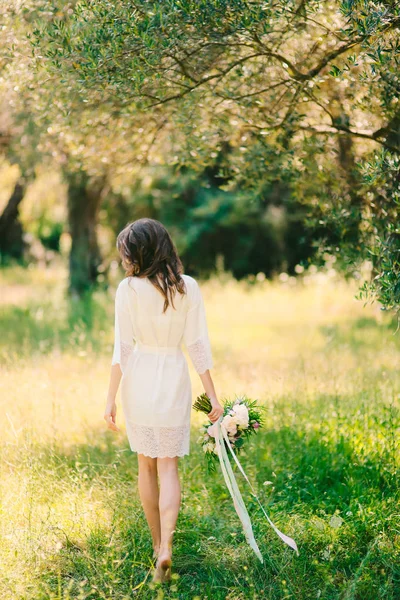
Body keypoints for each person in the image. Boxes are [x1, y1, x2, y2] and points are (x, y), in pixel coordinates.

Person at [103, 218, 223, 583]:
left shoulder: (127, 289)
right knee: (169, 465)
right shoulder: (187, 287)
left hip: (139, 377)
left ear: (137, 253)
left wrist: (109, 399)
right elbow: (197, 345)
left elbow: (122, 349)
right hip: (173, 376)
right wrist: (213, 396)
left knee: (147, 466)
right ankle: (168, 544)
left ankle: (158, 547)